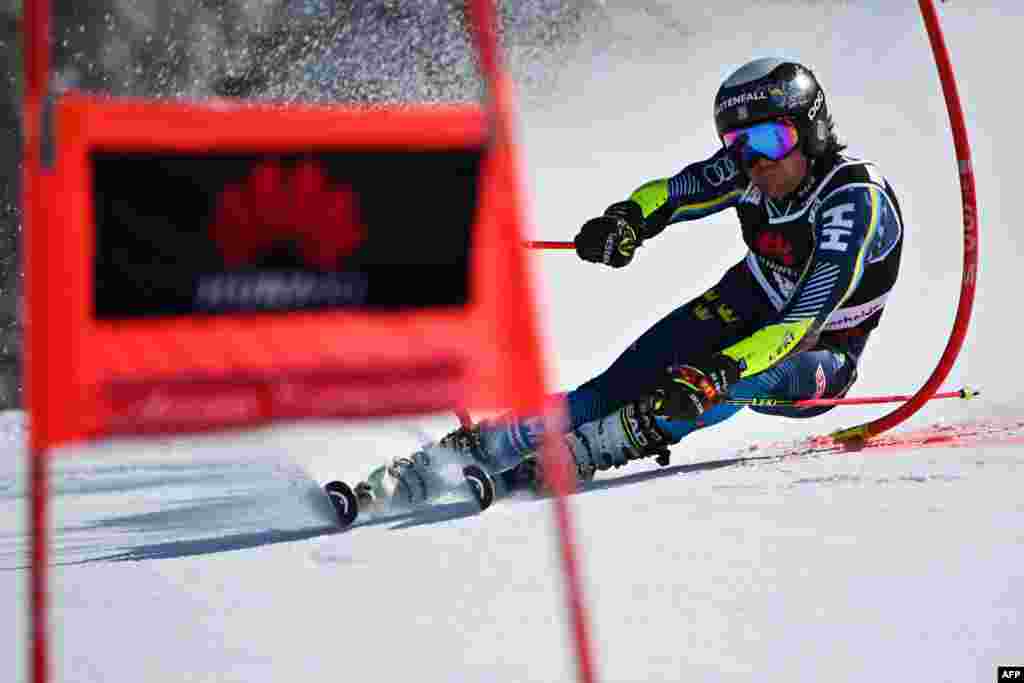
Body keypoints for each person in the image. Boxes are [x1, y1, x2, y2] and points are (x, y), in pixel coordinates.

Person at [375, 56, 904, 507]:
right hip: (747, 299)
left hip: (822, 349)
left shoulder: (851, 201)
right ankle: (464, 453)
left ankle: (590, 451)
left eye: (771, 138)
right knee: (614, 385)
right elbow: (673, 192)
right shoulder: (747, 171)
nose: (756, 161)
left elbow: (800, 322)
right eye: (740, 143)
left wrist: (719, 371)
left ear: (809, 129)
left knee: (733, 380)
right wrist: (625, 220)